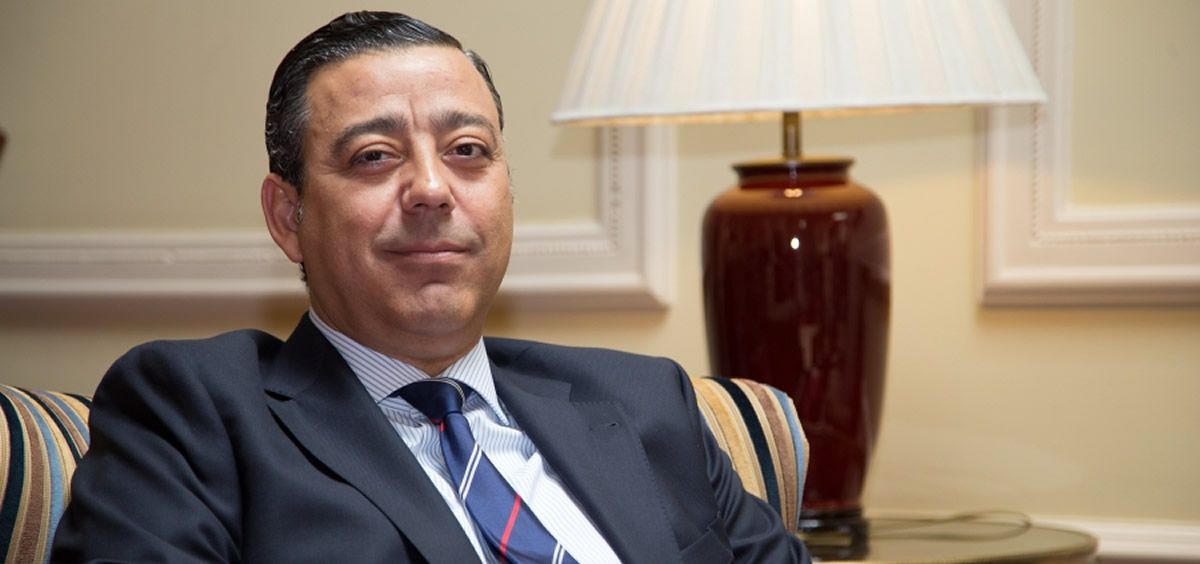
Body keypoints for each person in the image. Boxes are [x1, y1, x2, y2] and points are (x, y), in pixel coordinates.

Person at [51, 11, 811, 564]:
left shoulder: (647, 401)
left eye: (468, 150)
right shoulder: (192, 411)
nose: (432, 189)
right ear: (288, 217)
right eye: (375, 156)